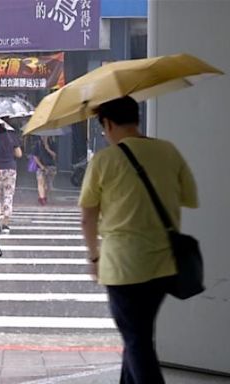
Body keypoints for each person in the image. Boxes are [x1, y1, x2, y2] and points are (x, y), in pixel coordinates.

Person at [79, 96, 198, 384]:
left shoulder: (105, 160)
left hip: (123, 266)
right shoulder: (168, 151)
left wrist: (94, 256)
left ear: (107, 124)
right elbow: (188, 197)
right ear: (137, 118)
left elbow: (88, 215)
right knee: (139, 334)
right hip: (162, 264)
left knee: (137, 341)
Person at [33, 136, 57, 205]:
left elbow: (54, 155)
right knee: (40, 182)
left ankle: (44, 196)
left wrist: (47, 148)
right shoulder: (38, 144)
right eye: (42, 136)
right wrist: (41, 166)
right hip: (40, 167)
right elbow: (35, 156)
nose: (44, 137)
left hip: (51, 166)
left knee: (48, 185)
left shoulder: (52, 143)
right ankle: (42, 198)